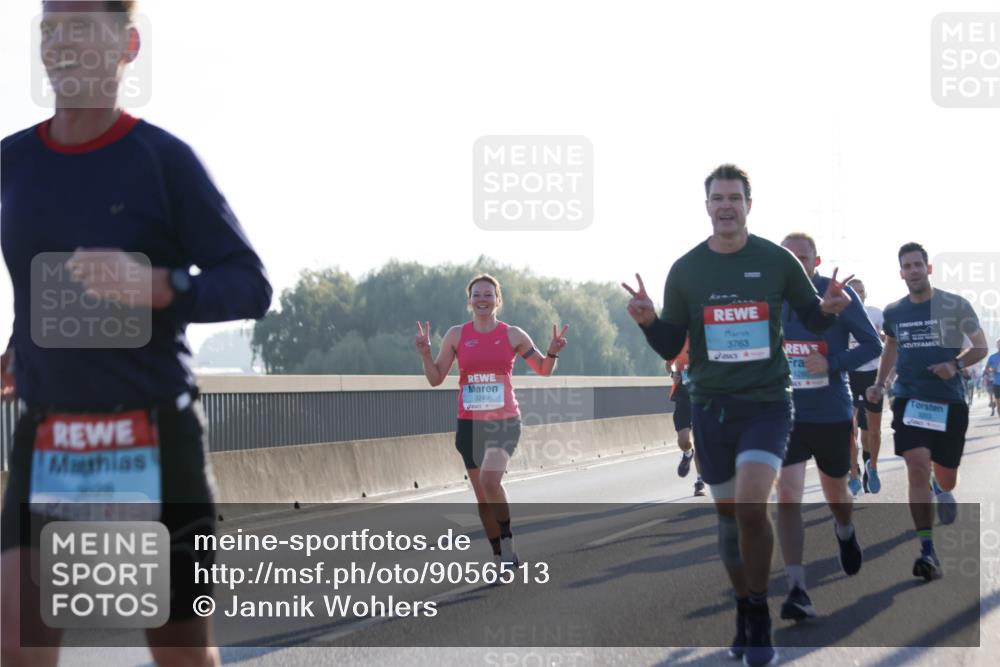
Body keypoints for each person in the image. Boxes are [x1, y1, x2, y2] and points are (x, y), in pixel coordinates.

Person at [0, 2, 272, 665]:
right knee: (16, 646)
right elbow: (40, 285)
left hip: (151, 439)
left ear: (126, 44)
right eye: (49, 29)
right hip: (48, 437)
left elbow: (249, 284)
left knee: (180, 656)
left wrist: (160, 286)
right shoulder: (12, 160)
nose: (60, 43)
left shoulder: (163, 160)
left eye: (80, 28)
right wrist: (19, 346)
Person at [623, 164, 853, 667]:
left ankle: (763, 615)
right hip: (711, 407)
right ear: (706, 206)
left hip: (767, 403)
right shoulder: (685, 270)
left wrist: (831, 309)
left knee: (753, 506)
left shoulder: (776, 261)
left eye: (735, 197)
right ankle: (747, 608)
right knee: (729, 525)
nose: (726, 205)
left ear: (750, 204)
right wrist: (647, 322)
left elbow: (811, 316)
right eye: (717, 198)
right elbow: (670, 341)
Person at [415, 274, 568, 572]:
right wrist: (425, 354)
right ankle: (499, 556)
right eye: (477, 295)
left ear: (498, 300)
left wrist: (552, 351)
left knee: (489, 480)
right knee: (483, 498)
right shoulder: (457, 335)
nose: (482, 300)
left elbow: (544, 370)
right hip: (470, 423)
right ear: (469, 301)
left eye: (488, 295)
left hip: (504, 421)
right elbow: (435, 379)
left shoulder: (512, 334)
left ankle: (508, 538)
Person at [866, 242, 988, 581]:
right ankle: (927, 551)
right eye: (907, 266)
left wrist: (955, 364)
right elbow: (890, 345)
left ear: (928, 268)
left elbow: (981, 347)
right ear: (901, 272)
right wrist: (880, 383)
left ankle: (943, 486)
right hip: (909, 398)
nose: (914, 270)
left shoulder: (955, 305)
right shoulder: (894, 312)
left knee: (945, 474)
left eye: (919, 264)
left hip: (949, 401)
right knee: (916, 466)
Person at [775, 233, 880, 620]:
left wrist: (832, 363)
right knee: (788, 496)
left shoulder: (835, 294)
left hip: (830, 413)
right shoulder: (770, 296)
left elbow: (872, 345)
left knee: (836, 493)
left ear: (815, 261)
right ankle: (797, 588)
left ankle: (845, 529)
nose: (795, 262)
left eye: (802, 257)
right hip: (783, 413)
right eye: (788, 256)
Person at [845, 278, 886, 495]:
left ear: (866, 294)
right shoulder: (839, 314)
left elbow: (891, 342)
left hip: (872, 375)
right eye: (853, 290)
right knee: (849, 428)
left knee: (872, 431)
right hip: (850, 375)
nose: (857, 294)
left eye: (861, 290)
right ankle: (854, 472)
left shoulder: (877, 313)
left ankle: (873, 466)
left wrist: (881, 337)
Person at [666, 338, 706, 496]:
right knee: (684, 441)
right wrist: (672, 373)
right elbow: (668, 364)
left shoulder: (707, 340)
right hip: (683, 397)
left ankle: (700, 481)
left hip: (702, 398)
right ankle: (688, 453)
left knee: (700, 441)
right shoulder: (678, 340)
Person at [987, 340, 1000, 417]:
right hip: (997, 383)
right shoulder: (992, 357)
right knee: (999, 404)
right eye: (999, 344)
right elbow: (987, 369)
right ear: (997, 346)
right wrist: (992, 370)